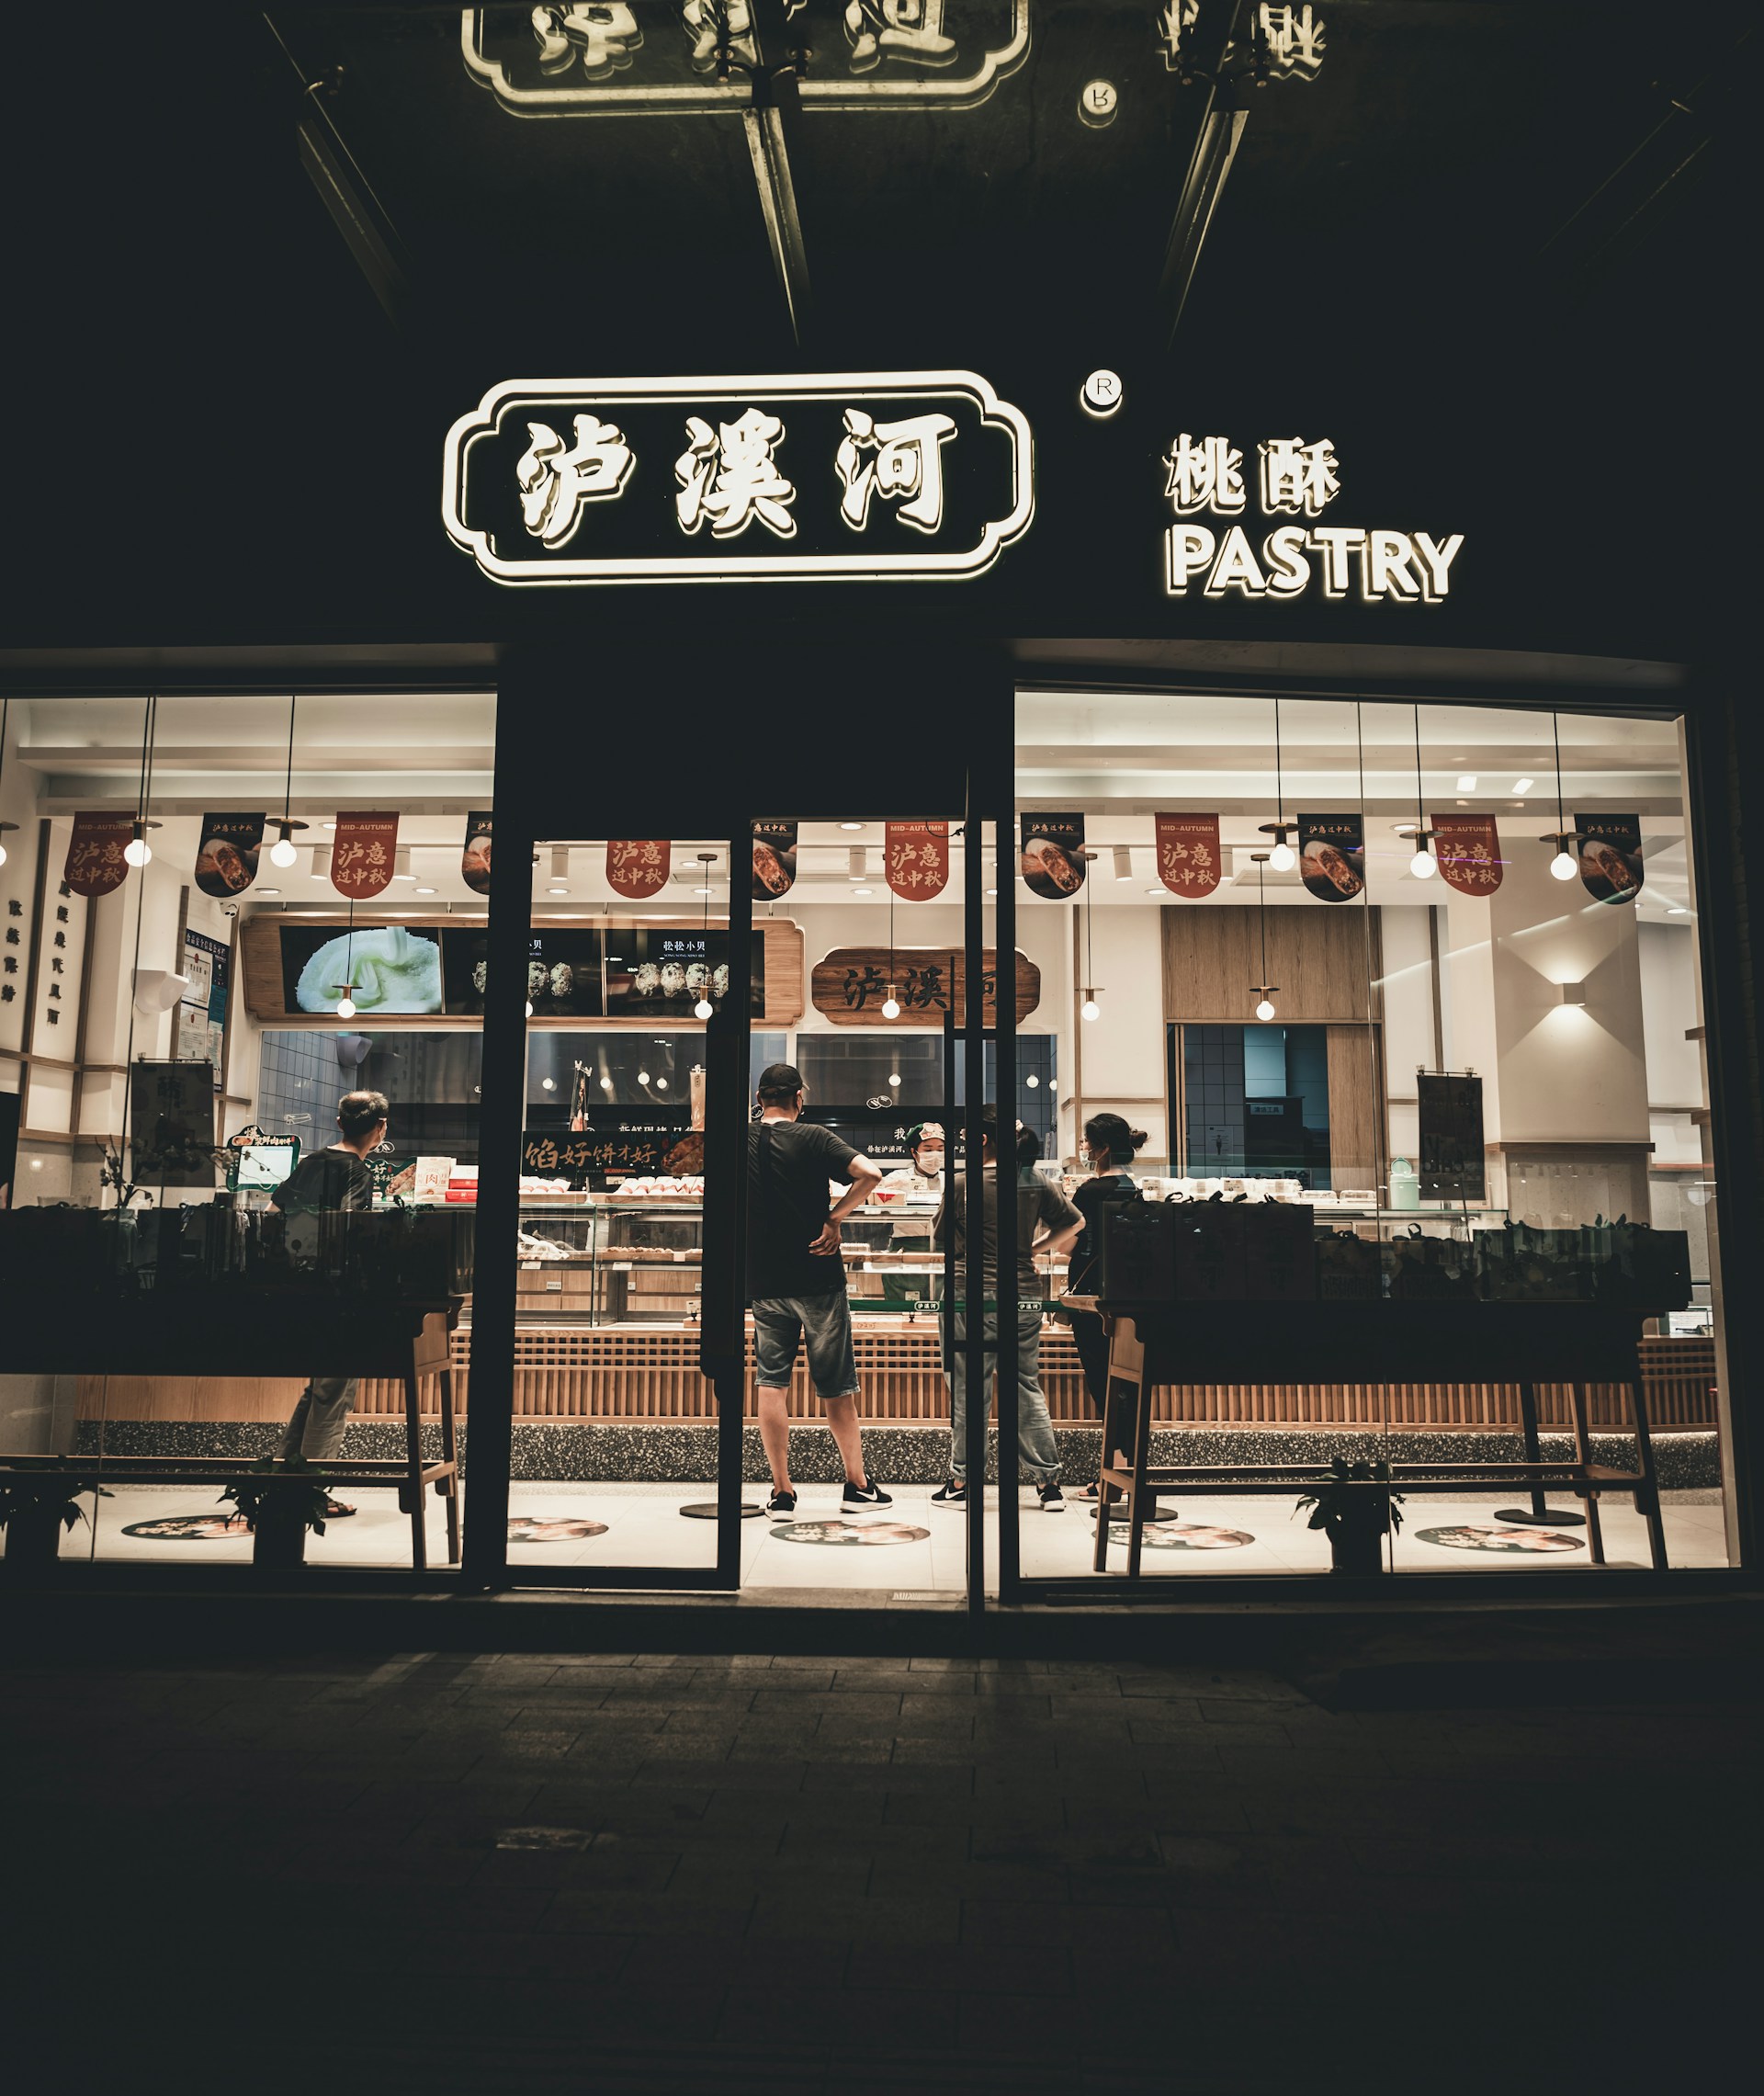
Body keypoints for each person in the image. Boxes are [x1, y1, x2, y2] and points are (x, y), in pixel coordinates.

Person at [747, 1062, 890, 1520]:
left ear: (759, 1099)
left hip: (765, 1280)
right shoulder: (813, 1136)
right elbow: (870, 1174)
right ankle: (856, 1485)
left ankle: (783, 1492)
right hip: (817, 1276)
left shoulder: (741, 1138)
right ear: (799, 1099)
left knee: (771, 1381)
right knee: (835, 1384)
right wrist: (835, 1217)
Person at [931, 1108, 1082, 1512]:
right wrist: (1032, 1249)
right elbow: (1075, 1223)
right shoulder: (1035, 1180)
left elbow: (940, 1236)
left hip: (968, 1296)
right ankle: (1048, 1484)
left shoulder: (963, 1183)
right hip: (1023, 1294)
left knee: (968, 1388)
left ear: (983, 1140)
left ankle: (964, 1481)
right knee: (1023, 1383)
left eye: (966, 1138)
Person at [269, 1088, 389, 1513]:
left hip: (298, 1290)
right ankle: (309, 1494)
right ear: (380, 1129)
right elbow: (348, 1231)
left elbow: (273, 1209)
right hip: (337, 1295)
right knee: (333, 1392)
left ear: (339, 1123)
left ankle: (286, 1477)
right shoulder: (357, 1171)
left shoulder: (312, 1162)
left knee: (318, 1389)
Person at [1063, 1113, 1150, 1509]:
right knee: (1126, 1385)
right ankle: (1127, 1472)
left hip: (1091, 1300)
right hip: (1127, 1295)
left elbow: (1068, 1244)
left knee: (1104, 1385)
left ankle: (1111, 1479)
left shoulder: (1092, 1190)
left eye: (1085, 1142)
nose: (1083, 1149)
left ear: (1098, 1148)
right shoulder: (1133, 1187)